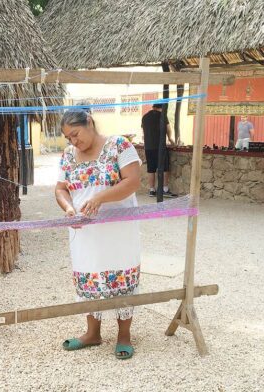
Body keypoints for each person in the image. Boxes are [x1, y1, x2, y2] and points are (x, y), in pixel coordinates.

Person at [55, 110, 142, 359]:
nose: (73, 141)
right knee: (88, 278)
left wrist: (99, 198)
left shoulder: (119, 145)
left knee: (122, 278)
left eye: (76, 134)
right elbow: (61, 189)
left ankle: (124, 336)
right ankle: (92, 333)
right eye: (68, 137)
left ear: (89, 123)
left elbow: (133, 181)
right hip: (85, 233)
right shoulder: (69, 156)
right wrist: (69, 208)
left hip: (119, 231)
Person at [141, 103, 176, 197]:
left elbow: (143, 131)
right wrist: (170, 138)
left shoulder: (144, 117)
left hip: (148, 147)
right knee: (165, 168)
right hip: (160, 146)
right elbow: (168, 128)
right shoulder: (162, 115)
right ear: (160, 108)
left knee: (151, 169)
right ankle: (165, 189)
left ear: (153, 108)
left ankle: (152, 190)